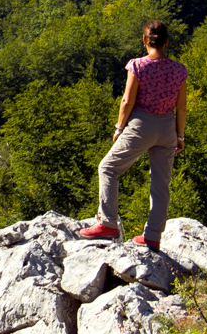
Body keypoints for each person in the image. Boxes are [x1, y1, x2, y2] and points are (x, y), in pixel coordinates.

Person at [79, 19, 188, 249]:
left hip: (142, 124)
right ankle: (153, 236)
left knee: (108, 168)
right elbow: (182, 107)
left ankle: (108, 223)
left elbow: (127, 100)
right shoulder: (179, 69)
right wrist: (180, 136)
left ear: (144, 41)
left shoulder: (137, 65)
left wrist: (119, 128)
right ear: (167, 42)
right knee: (161, 185)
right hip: (168, 128)